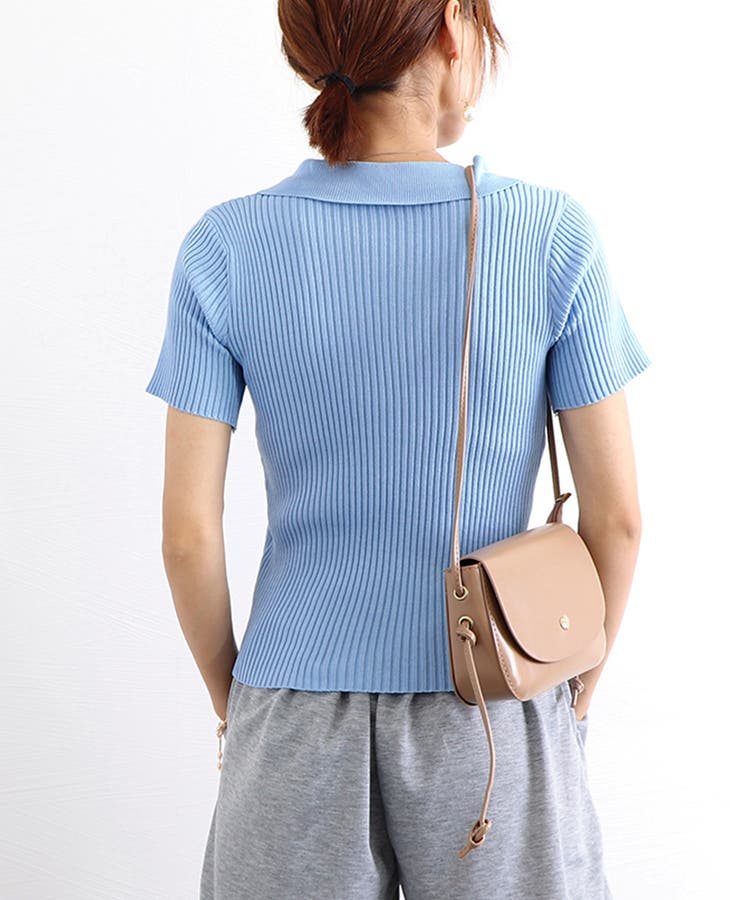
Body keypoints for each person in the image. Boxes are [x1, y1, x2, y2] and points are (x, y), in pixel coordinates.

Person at [145, 0, 651, 896]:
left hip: (292, 711)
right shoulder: (547, 234)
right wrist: (569, 699)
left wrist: (241, 703)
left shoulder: (224, 246)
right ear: (453, 27)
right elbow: (616, 519)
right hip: (495, 702)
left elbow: (187, 535)